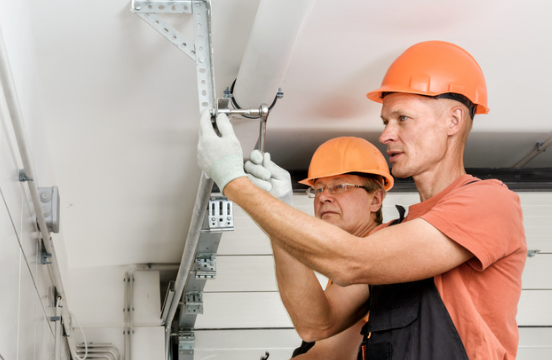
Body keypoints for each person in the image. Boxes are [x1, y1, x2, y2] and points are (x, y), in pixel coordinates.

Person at [197, 41, 526, 360]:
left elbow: (353, 261)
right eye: (385, 122)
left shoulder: (489, 202)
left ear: (452, 120)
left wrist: (233, 182)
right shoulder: (390, 237)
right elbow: (315, 323)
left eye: (402, 119)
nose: (386, 135)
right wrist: (278, 215)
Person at [245, 137, 394, 360]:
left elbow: (324, 347)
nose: (323, 197)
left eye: (340, 186)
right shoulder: (343, 269)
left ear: (375, 200)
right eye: (318, 189)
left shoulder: (382, 250)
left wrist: (277, 216)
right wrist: (279, 217)